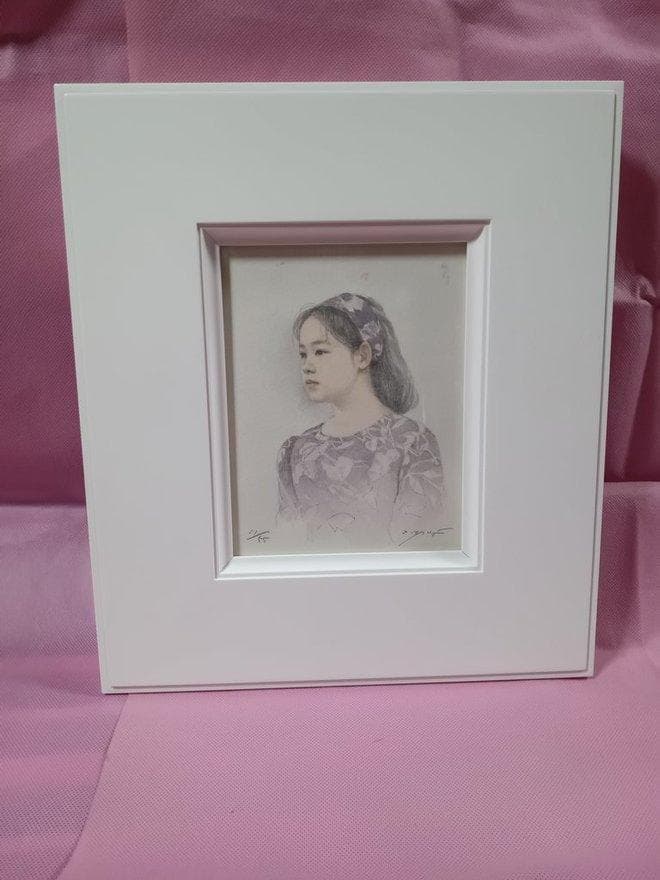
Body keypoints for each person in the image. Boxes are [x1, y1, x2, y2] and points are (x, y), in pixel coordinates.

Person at [275, 292, 445, 549]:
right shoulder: (295, 451)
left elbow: (417, 545)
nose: (307, 365)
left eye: (320, 351)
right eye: (303, 354)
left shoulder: (411, 442)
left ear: (362, 356)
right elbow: (287, 549)